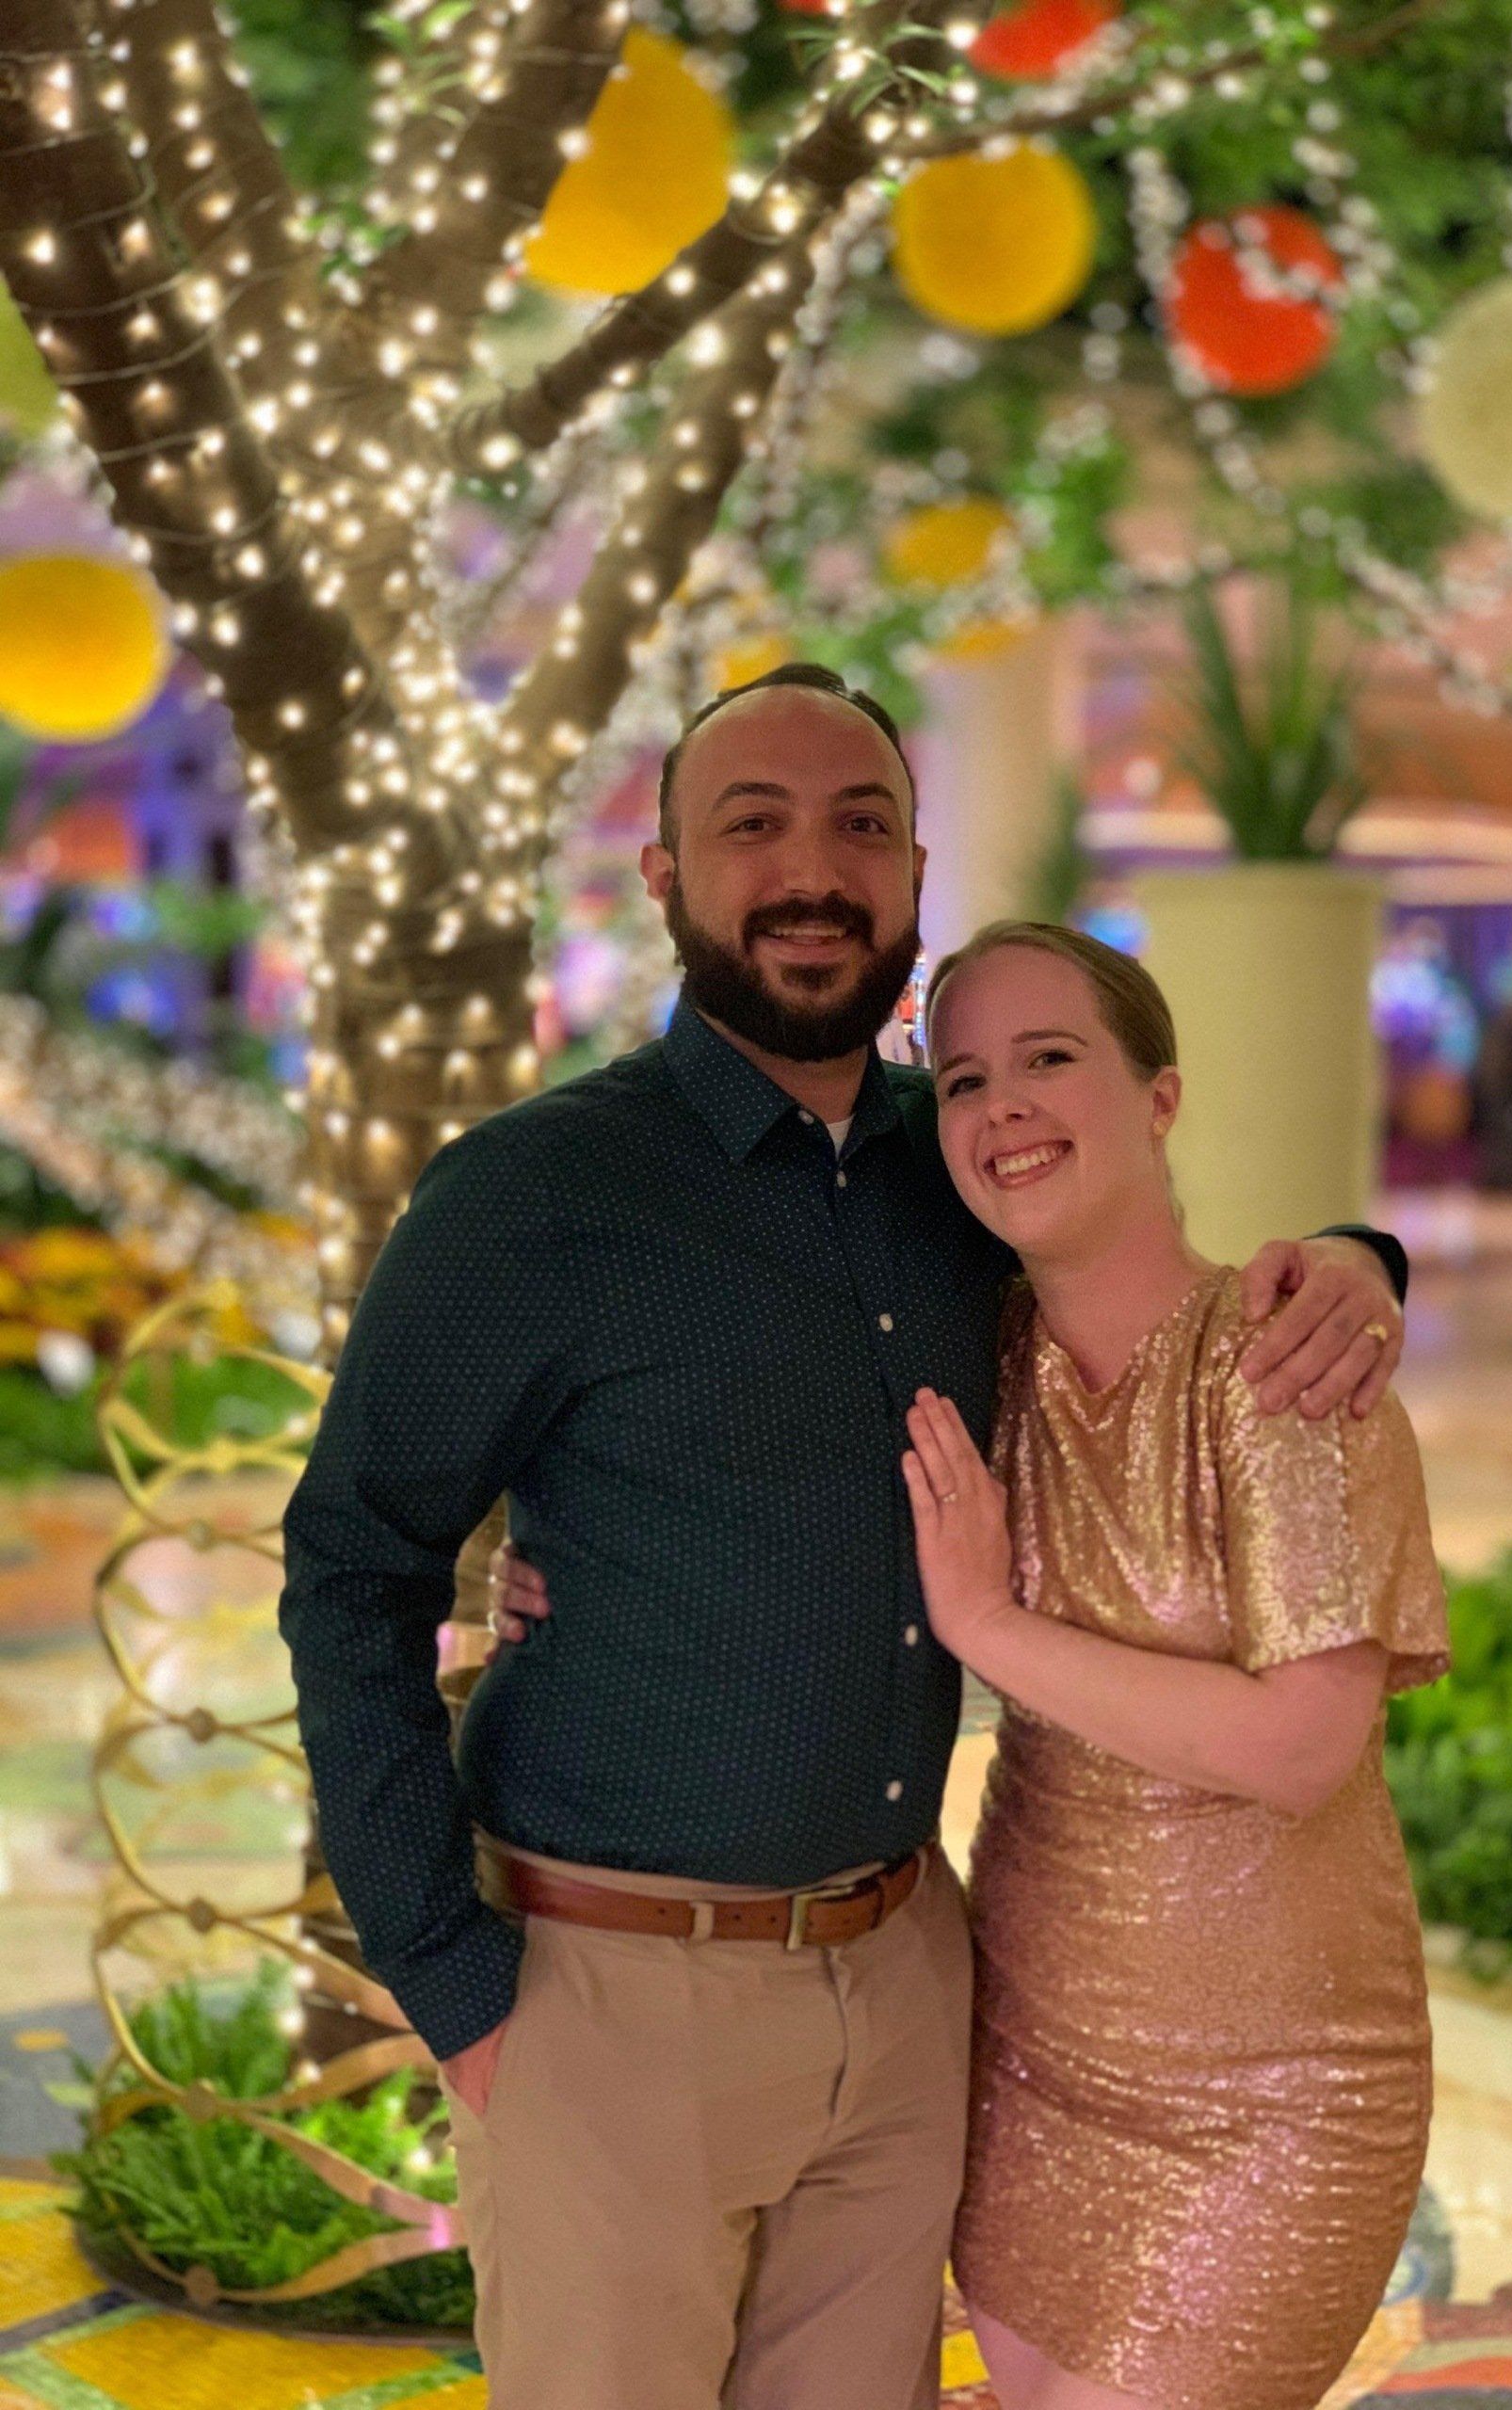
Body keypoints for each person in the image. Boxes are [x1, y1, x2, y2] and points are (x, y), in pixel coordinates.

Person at [279, 662, 1411, 2410]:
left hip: (912, 1987)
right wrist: (451, 1979)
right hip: (611, 1994)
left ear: (911, 872)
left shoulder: (957, 1163)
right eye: (753, 823)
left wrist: (1354, 1253)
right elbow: (354, 1566)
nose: (812, 868)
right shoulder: (532, 1195)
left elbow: (1138, 1246)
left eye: (860, 824)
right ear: (664, 873)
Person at [902, 922, 1448, 2410]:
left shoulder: (1281, 1364)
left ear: (1161, 1096)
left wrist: (992, 1631)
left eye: (1050, 1058)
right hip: (1031, 2054)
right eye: (962, 1079)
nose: (1002, 1105)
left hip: (1273, 2096)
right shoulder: (974, 1361)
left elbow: (1299, 1749)